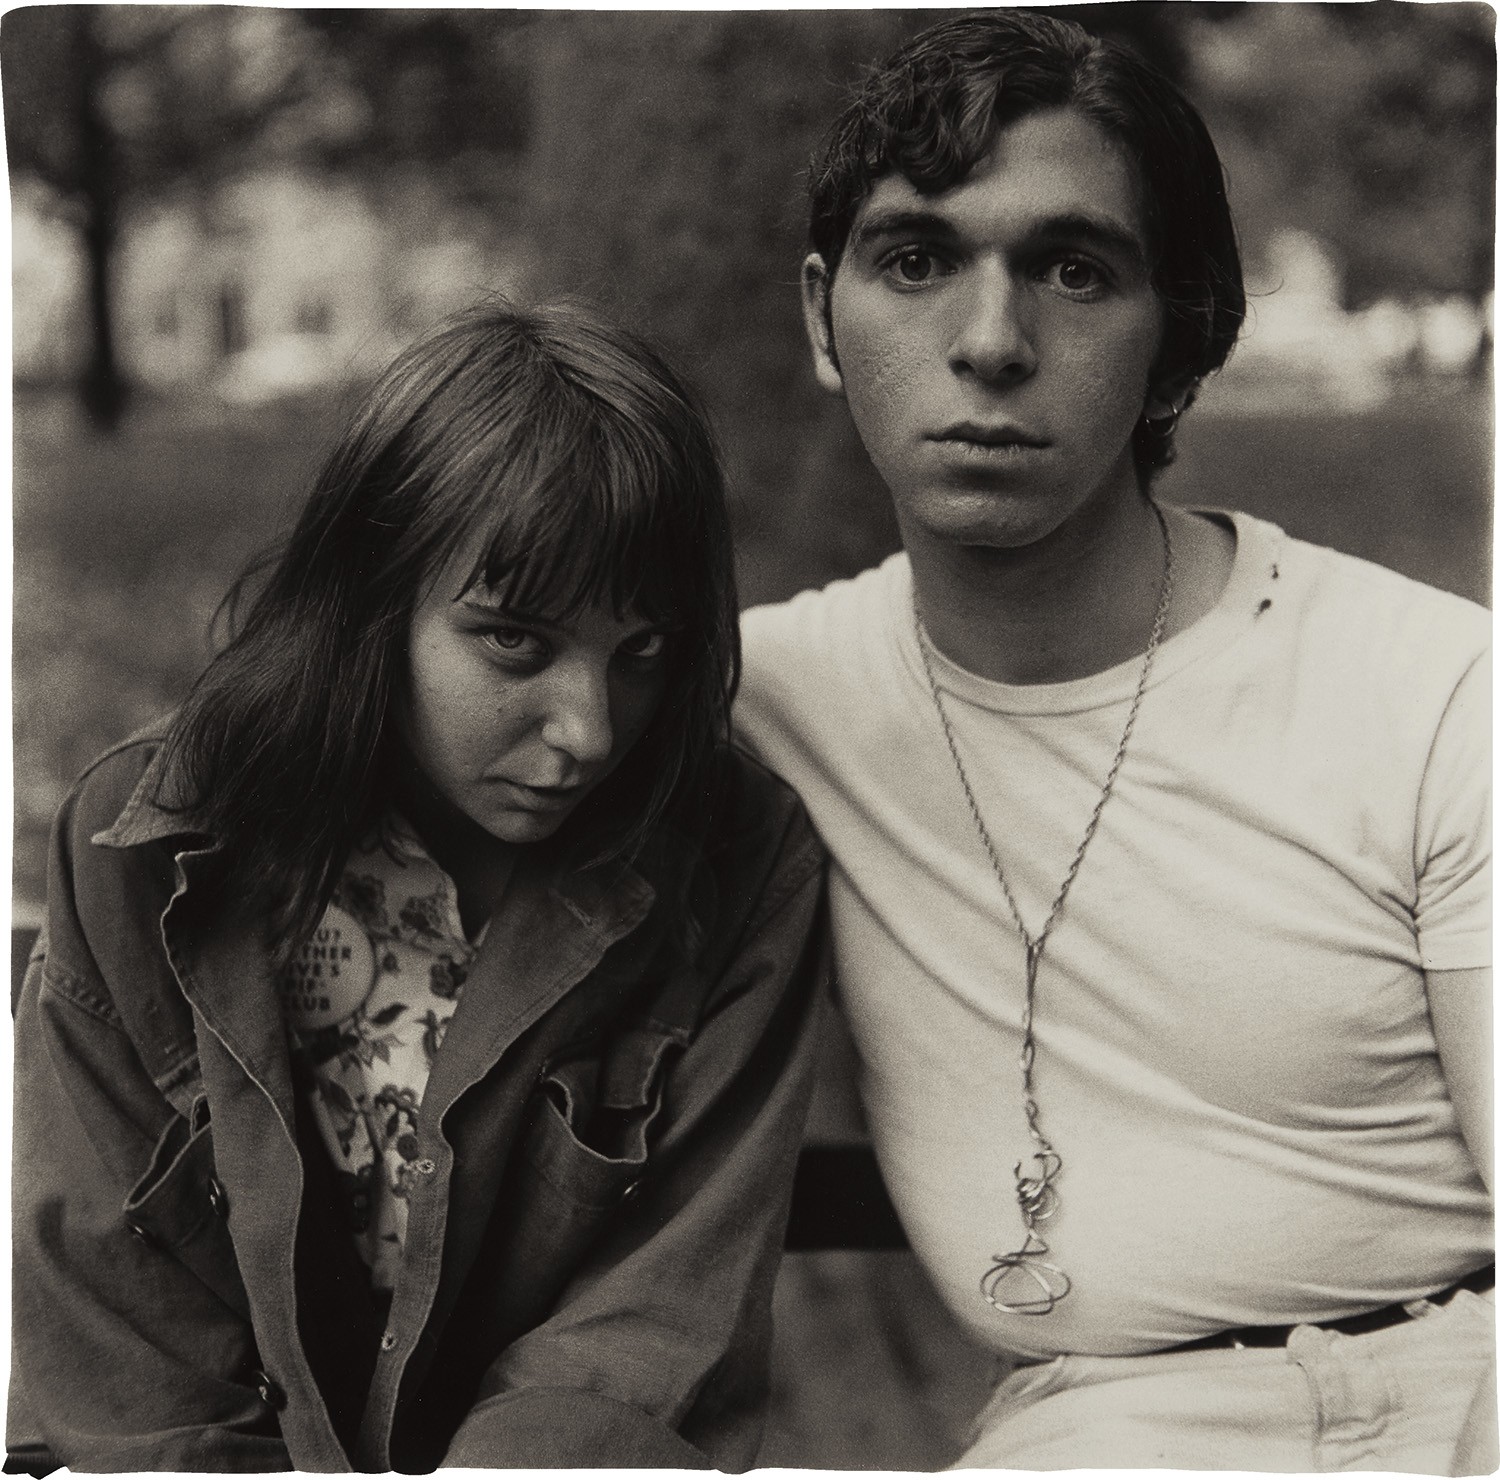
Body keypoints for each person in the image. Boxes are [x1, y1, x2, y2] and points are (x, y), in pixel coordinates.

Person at [736, 11, 1493, 1472]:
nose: (990, 344)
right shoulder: (767, 701)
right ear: (824, 320)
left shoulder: (1435, 690)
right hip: (1112, 1425)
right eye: (918, 262)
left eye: (1074, 270)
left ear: (1179, 341)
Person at [12, 300, 827, 1472]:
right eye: (516, 642)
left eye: (643, 651)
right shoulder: (142, 852)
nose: (591, 730)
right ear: (373, 602)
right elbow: (120, 1333)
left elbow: (649, 1335)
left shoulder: (737, 862)